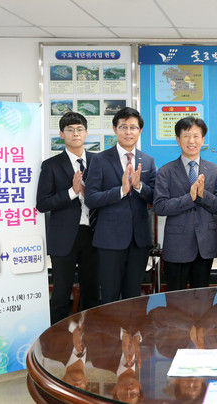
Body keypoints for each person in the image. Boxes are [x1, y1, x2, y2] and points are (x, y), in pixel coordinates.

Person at [85, 107, 156, 304]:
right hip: (110, 240)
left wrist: (139, 186)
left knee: (133, 296)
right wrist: (121, 191)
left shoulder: (148, 161)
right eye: (123, 127)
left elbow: (155, 197)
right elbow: (90, 198)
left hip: (138, 240)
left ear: (140, 131)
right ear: (115, 129)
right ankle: (112, 336)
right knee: (109, 296)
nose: (128, 132)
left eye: (133, 127)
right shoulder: (99, 160)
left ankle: (132, 335)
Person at [36, 111, 98, 324]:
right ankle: (56, 345)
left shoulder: (98, 161)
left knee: (92, 291)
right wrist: (72, 192)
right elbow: (42, 204)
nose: (75, 133)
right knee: (61, 293)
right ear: (61, 134)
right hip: (64, 238)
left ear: (86, 133)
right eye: (70, 130)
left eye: (79, 129)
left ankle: (91, 338)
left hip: (94, 235)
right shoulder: (51, 165)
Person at [153, 116, 217, 291]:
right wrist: (189, 198)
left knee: (202, 299)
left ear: (203, 140)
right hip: (177, 246)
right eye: (186, 136)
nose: (191, 141)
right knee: (175, 300)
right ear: (178, 140)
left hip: (205, 245)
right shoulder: (165, 171)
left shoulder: (215, 171)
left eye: (196, 136)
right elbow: (160, 207)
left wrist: (202, 195)